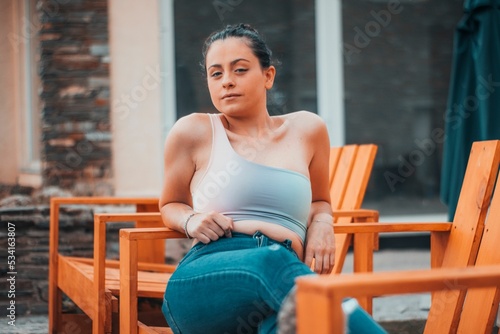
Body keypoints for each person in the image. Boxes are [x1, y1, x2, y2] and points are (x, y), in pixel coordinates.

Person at [159, 23, 384, 334]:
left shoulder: (308, 129)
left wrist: (321, 224)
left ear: (268, 76)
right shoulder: (194, 131)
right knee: (273, 263)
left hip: (283, 289)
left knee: (295, 326)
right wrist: (190, 220)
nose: (227, 82)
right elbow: (170, 204)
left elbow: (320, 201)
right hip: (209, 277)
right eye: (216, 73)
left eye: (239, 70)